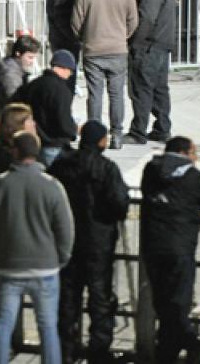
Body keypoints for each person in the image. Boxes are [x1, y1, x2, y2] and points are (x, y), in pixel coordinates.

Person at [0, 131, 74, 364]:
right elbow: (65, 229)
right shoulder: (52, 186)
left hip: (8, 265)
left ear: (15, 151)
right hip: (45, 267)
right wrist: (60, 258)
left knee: (3, 325)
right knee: (48, 327)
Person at [48, 121, 130, 364]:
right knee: (100, 298)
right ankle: (98, 351)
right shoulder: (106, 168)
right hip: (99, 242)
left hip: (68, 239)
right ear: (102, 140)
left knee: (68, 297)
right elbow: (119, 203)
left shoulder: (62, 164)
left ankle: (66, 350)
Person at [140, 136, 200, 363]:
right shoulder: (194, 176)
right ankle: (191, 341)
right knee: (179, 300)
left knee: (162, 300)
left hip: (153, 245)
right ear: (184, 152)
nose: (195, 158)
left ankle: (167, 350)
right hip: (181, 247)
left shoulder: (151, 170)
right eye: (194, 153)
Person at [71, 0, 139, 149]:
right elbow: (133, 21)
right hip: (118, 49)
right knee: (117, 94)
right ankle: (117, 134)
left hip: (93, 49)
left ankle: (94, 135)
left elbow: (76, 22)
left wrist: (86, 37)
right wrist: (122, 36)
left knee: (95, 94)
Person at [125, 0, 178, 145]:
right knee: (158, 89)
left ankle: (138, 131)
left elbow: (146, 18)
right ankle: (162, 129)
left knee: (142, 89)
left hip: (148, 46)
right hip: (160, 46)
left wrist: (134, 42)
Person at [11, 49, 79, 166]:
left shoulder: (33, 85)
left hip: (33, 143)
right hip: (54, 145)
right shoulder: (61, 90)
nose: (70, 75)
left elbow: (14, 106)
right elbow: (63, 121)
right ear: (64, 68)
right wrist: (74, 131)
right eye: (70, 71)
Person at [46, 0, 86, 92]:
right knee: (65, 81)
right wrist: (74, 36)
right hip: (64, 41)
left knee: (69, 81)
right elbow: (59, 15)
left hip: (68, 39)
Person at [0, 34, 41, 116]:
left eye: (33, 58)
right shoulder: (10, 74)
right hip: (12, 121)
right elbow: (16, 103)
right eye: (30, 57)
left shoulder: (13, 71)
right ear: (18, 54)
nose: (32, 62)